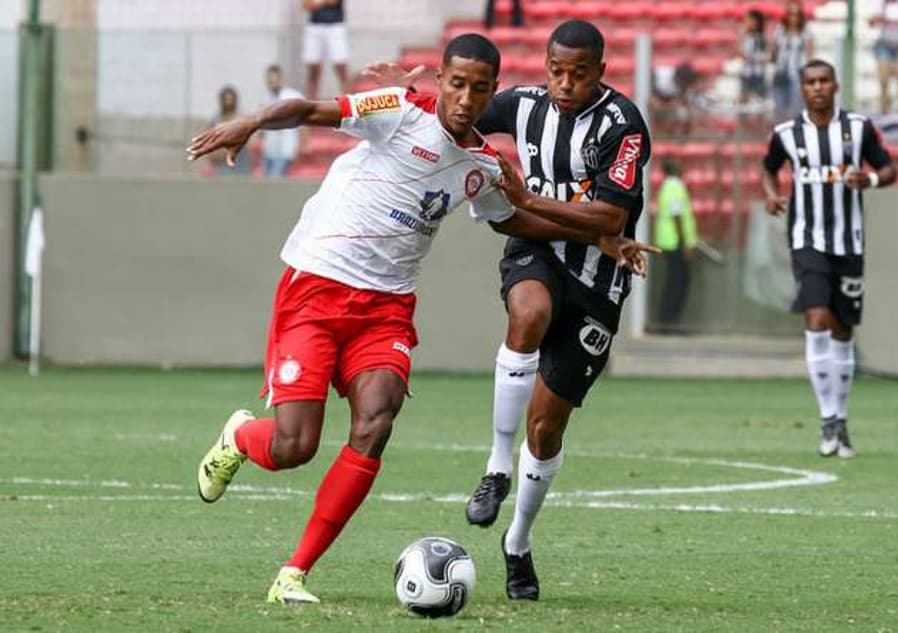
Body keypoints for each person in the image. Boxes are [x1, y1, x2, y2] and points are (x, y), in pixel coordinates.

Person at [186, 33, 653, 605]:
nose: (464, 98)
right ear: (440, 81)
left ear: (492, 95)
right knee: (294, 447)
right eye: (456, 84)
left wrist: (604, 236)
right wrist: (252, 122)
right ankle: (239, 437)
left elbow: (512, 222)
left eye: (479, 89)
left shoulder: (482, 163)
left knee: (376, 424)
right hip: (316, 286)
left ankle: (294, 573)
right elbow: (311, 109)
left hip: (386, 308)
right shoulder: (397, 111)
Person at [464, 20, 651, 601]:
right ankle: (496, 467)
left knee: (545, 431)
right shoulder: (521, 105)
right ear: (544, 65)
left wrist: (524, 198)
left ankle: (517, 542)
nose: (564, 84)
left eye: (578, 73)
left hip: (599, 282)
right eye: (555, 70)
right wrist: (410, 99)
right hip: (536, 252)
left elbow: (609, 218)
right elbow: (457, 109)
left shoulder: (624, 126)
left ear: (601, 71)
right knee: (527, 315)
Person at [762, 60, 898, 458]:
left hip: (849, 243)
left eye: (824, 81)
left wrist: (869, 179)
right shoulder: (786, 133)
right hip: (808, 241)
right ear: (802, 89)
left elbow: (889, 169)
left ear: (835, 85)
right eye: (810, 82)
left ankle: (840, 419)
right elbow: (768, 168)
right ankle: (826, 420)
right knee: (816, 318)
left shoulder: (858, 128)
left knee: (842, 331)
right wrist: (771, 194)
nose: (818, 87)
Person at [654, 158, 697, 332]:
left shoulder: (668, 185)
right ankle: (669, 321)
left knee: (674, 282)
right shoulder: (674, 186)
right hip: (675, 242)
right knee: (678, 283)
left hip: (670, 241)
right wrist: (685, 243)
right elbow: (677, 214)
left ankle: (668, 320)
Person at [771, 2, 815, 121]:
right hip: (780, 73)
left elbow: (809, 53)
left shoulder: (806, 31)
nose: (793, 17)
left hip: (797, 73)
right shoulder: (780, 30)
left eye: (796, 14)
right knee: (779, 107)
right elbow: (774, 51)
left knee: (796, 107)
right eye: (790, 14)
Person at [262, 65, 304, 178]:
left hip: (286, 147)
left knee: (275, 178)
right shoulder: (266, 98)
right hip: (269, 148)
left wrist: (302, 143)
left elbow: (304, 122)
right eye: (269, 79)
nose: (271, 82)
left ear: (280, 78)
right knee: (265, 182)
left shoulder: (293, 96)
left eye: (274, 79)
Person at [301, 0, 349, 99]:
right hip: (314, 27)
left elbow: (333, 2)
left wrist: (317, 2)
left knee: (341, 68)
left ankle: (349, 102)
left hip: (335, 25)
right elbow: (306, 5)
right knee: (313, 70)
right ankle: (310, 104)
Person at [208, 86, 252, 176]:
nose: (228, 102)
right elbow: (209, 137)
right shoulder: (216, 118)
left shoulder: (240, 118)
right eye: (226, 99)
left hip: (239, 159)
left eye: (231, 99)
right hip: (221, 162)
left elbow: (244, 139)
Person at [738, 9, 769, 104]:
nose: (748, 23)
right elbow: (741, 52)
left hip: (758, 73)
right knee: (744, 97)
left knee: (760, 98)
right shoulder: (745, 37)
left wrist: (754, 57)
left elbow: (766, 55)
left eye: (751, 21)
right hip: (746, 73)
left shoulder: (761, 38)